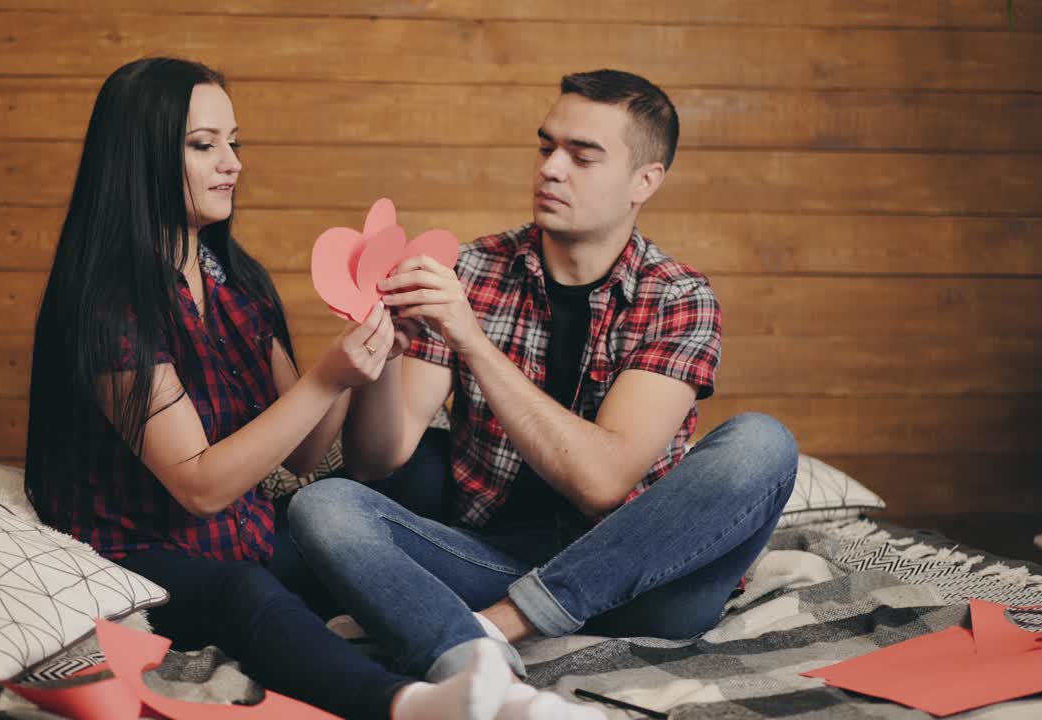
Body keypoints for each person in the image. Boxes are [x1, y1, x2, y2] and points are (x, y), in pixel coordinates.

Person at [22, 57, 602, 720]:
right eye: (204, 146)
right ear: (139, 156)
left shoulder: (237, 281)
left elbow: (302, 455)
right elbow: (201, 486)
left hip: (245, 535)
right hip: (141, 555)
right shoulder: (109, 303)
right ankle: (407, 704)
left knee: (355, 533)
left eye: (233, 144)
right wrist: (327, 376)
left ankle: (484, 662)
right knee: (245, 593)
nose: (232, 163)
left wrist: (371, 355)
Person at [288, 69, 800, 683]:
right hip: (492, 557)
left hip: (646, 586)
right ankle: (467, 637)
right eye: (546, 147)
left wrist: (471, 342)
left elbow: (603, 482)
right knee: (324, 504)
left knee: (763, 444)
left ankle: (491, 629)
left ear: (645, 180)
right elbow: (378, 459)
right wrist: (384, 349)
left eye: (582, 156)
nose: (551, 169)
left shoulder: (678, 297)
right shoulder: (473, 269)